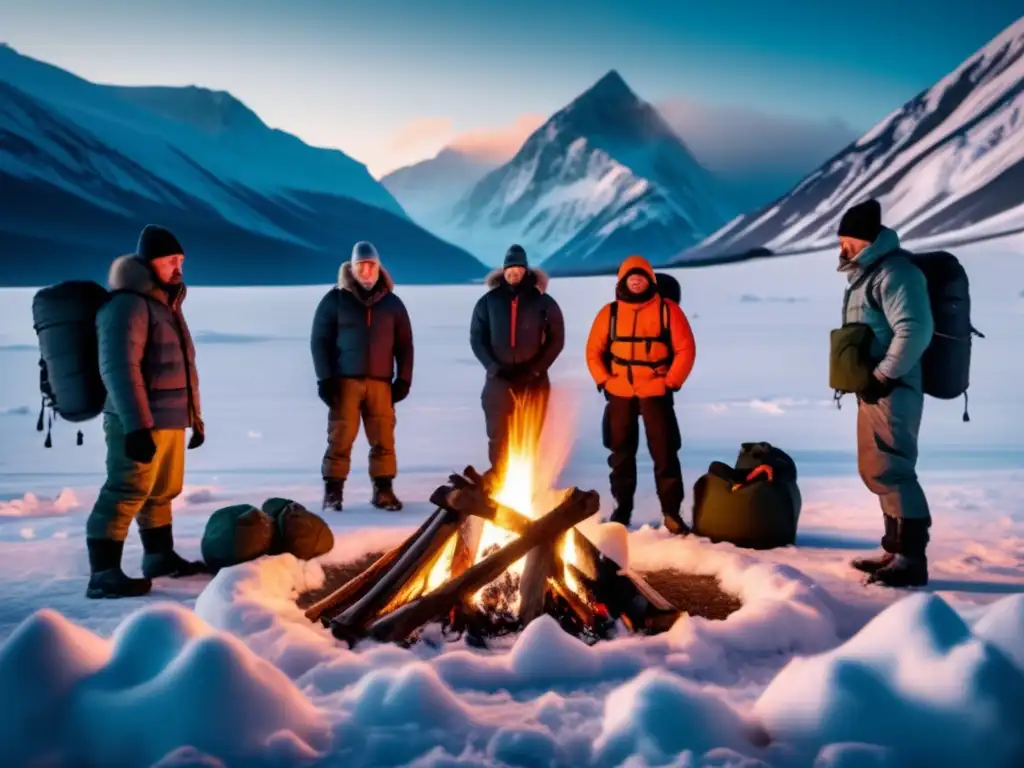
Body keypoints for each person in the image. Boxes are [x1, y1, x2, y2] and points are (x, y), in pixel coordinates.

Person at [86, 224, 206, 599]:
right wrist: (136, 426)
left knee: (162, 491)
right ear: (149, 262)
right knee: (126, 489)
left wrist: (194, 419)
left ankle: (159, 557)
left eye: (181, 260)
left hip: (169, 418)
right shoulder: (127, 305)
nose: (178, 266)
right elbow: (120, 369)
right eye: (171, 260)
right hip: (136, 418)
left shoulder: (165, 304)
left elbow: (183, 366)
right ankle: (103, 573)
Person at [837, 199, 935, 587]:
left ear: (868, 240)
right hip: (875, 386)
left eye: (849, 241)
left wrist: (883, 375)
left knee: (893, 468)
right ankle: (895, 551)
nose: (842, 249)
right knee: (877, 467)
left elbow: (914, 329)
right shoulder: (869, 273)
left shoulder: (896, 273)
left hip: (894, 385)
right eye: (840, 240)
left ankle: (912, 560)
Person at [586, 255, 696, 534]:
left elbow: (685, 349)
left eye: (641, 277)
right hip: (620, 390)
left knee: (665, 452)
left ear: (650, 280)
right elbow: (594, 351)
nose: (636, 282)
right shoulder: (609, 313)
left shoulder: (667, 311)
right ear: (622, 281)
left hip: (656, 389)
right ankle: (622, 510)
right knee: (621, 454)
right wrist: (604, 380)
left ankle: (671, 512)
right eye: (630, 278)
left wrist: (671, 382)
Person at [312, 241, 413, 512]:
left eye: (371, 266)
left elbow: (404, 345)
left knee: (383, 439)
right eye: (361, 266)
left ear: (378, 268)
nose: (366, 271)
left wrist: (403, 379)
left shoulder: (392, 304)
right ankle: (333, 494)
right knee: (340, 437)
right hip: (345, 383)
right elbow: (319, 341)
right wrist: (325, 379)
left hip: (381, 384)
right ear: (352, 268)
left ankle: (384, 492)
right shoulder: (335, 299)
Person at [470, 244, 565, 473]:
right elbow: (477, 338)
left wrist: (536, 369)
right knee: (498, 434)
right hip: (499, 381)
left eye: (518, 268)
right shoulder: (488, 302)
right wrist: (493, 367)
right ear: (503, 271)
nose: (513, 272)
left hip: (533, 380)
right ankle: (500, 479)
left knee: (528, 436)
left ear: (525, 270)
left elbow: (557, 339)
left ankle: (525, 480)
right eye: (509, 268)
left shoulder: (543, 301)